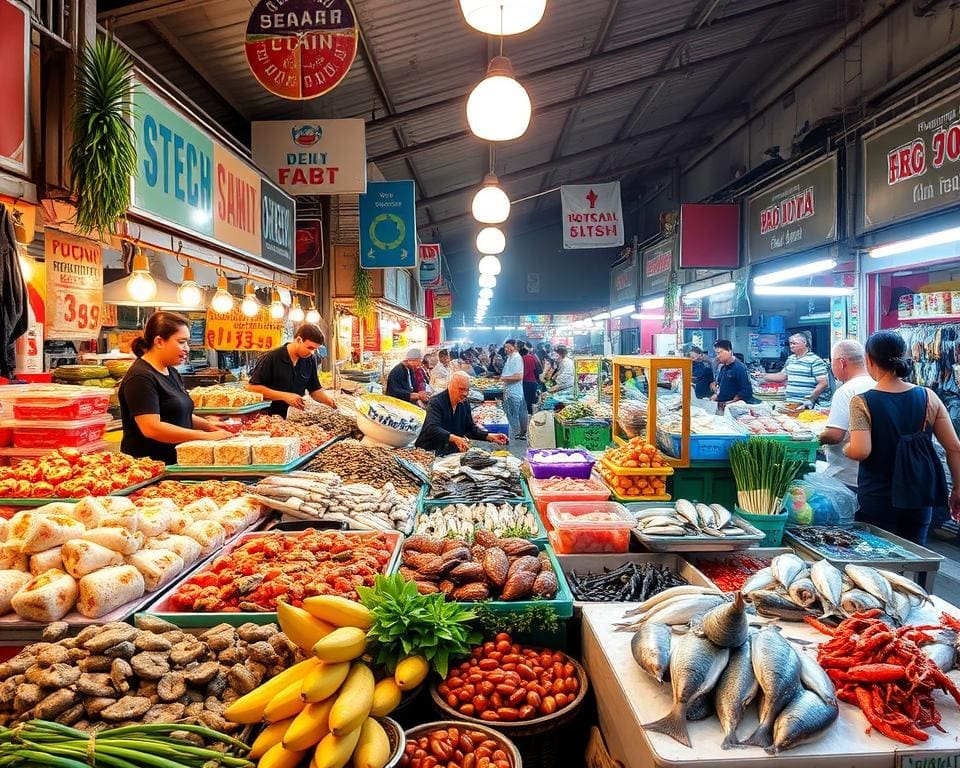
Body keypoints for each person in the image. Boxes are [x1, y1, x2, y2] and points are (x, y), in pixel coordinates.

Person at [846, 331, 960, 544]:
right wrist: (958, 488)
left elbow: (861, 450)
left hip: (878, 497)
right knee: (916, 555)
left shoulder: (860, 402)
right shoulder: (928, 397)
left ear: (869, 360)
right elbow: (954, 447)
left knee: (878, 561)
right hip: (918, 495)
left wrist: (846, 448)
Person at [119, 311, 232, 464]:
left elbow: (177, 413)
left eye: (188, 343)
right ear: (159, 341)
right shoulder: (141, 377)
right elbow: (152, 428)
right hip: (152, 469)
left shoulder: (171, 371)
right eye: (181, 342)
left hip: (178, 462)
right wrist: (203, 436)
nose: (187, 348)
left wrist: (208, 426)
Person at [247, 323, 337, 417]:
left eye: (315, 349)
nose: (312, 352)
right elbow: (253, 388)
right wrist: (285, 396)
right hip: (269, 417)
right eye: (309, 347)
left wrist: (331, 402)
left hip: (295, 418)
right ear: (298, 340)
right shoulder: (272, 357)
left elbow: (314, 390)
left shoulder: (310, 359)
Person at [819, 339, 875, 489]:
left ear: (842, 363)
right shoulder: (878, 384)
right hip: (876, 475)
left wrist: (816, 437)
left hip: (849, 476)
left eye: (832, 363)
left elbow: (835, 435)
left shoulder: (846, 391)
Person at [415, 371, 510, 455]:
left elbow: (470, 428)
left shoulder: (464, 403)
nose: (465, 393)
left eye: (467, 390)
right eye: (461, 389)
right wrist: (454, 438)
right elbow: (432, 428)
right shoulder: (436, 402)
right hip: (430, 451)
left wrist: (489, 436)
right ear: (450, 386)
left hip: (450, 452)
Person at [763, 333, 830, 407]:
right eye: (790, 343)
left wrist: (811, 398)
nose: (791, 346)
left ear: (804, 343)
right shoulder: (790, 359)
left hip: (806, 405)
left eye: (794, 343)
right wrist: (762, 376)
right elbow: (782, 376)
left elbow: (823, 383)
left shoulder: (815, 360)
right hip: (790, 402)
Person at [711, 339, 754, 411]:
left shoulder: (739, 367)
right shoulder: (723, 367)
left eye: (719, 353)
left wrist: (730, 403)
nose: (717, 356)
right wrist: (716, 394)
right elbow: (719, 385)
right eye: (716, 353)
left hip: (732, 409)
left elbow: (747, 391)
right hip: (720, 406)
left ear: (729, 351)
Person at [500, 339, 528, 440]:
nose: (506, 349)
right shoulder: (510, 358)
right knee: (512, 413)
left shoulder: (516, 358)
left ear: (514, 347)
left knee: (516, 413)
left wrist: (503, 378)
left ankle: (519, 433)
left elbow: (519, 376)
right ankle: (517, 433)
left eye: (508, 347)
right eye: (505, 347)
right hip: (509, 390)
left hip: (515, 391)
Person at [520, 341, 542, 416]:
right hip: (532, 382)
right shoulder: (532, 358)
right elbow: (536, 371)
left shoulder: (520, 359)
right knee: (533, 399)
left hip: (523, 382)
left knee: (526, 399)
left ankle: (528, 414)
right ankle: (534, 415)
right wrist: (538, 380)